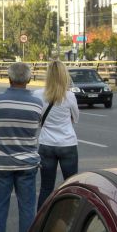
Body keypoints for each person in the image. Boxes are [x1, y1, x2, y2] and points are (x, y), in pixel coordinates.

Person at [0, 62, 43, 232]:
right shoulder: (37, 104)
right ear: (28, 80)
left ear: (9, 79)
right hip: (28, 163)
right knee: (27, 210)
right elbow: (37, 127)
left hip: (2, 164)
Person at [34, 60, 80, 209]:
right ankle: (71, 218)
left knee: (46, 187)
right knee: (71, 185)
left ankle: (41, 221)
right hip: (67, 144)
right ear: (64, 75)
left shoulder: (38, 94)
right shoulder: (69, 96)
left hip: (46, 144)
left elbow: (37, 118)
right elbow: (76, 118)